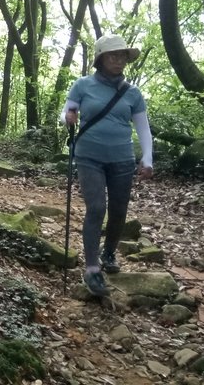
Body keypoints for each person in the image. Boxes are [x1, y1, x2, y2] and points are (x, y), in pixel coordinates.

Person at [62, 33, 153, 297]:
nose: (119, 60)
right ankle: (92, 269)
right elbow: (67, 111)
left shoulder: (133, 93)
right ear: (101, 59)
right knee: (97, 207)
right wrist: (67, 116)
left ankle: (109, 251)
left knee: (118, 210)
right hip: (89, 156)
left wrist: (147, 158)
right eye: (113, 55)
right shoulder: (83, 85)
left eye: (122, 56)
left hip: (122, 158)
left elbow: (143, 128)